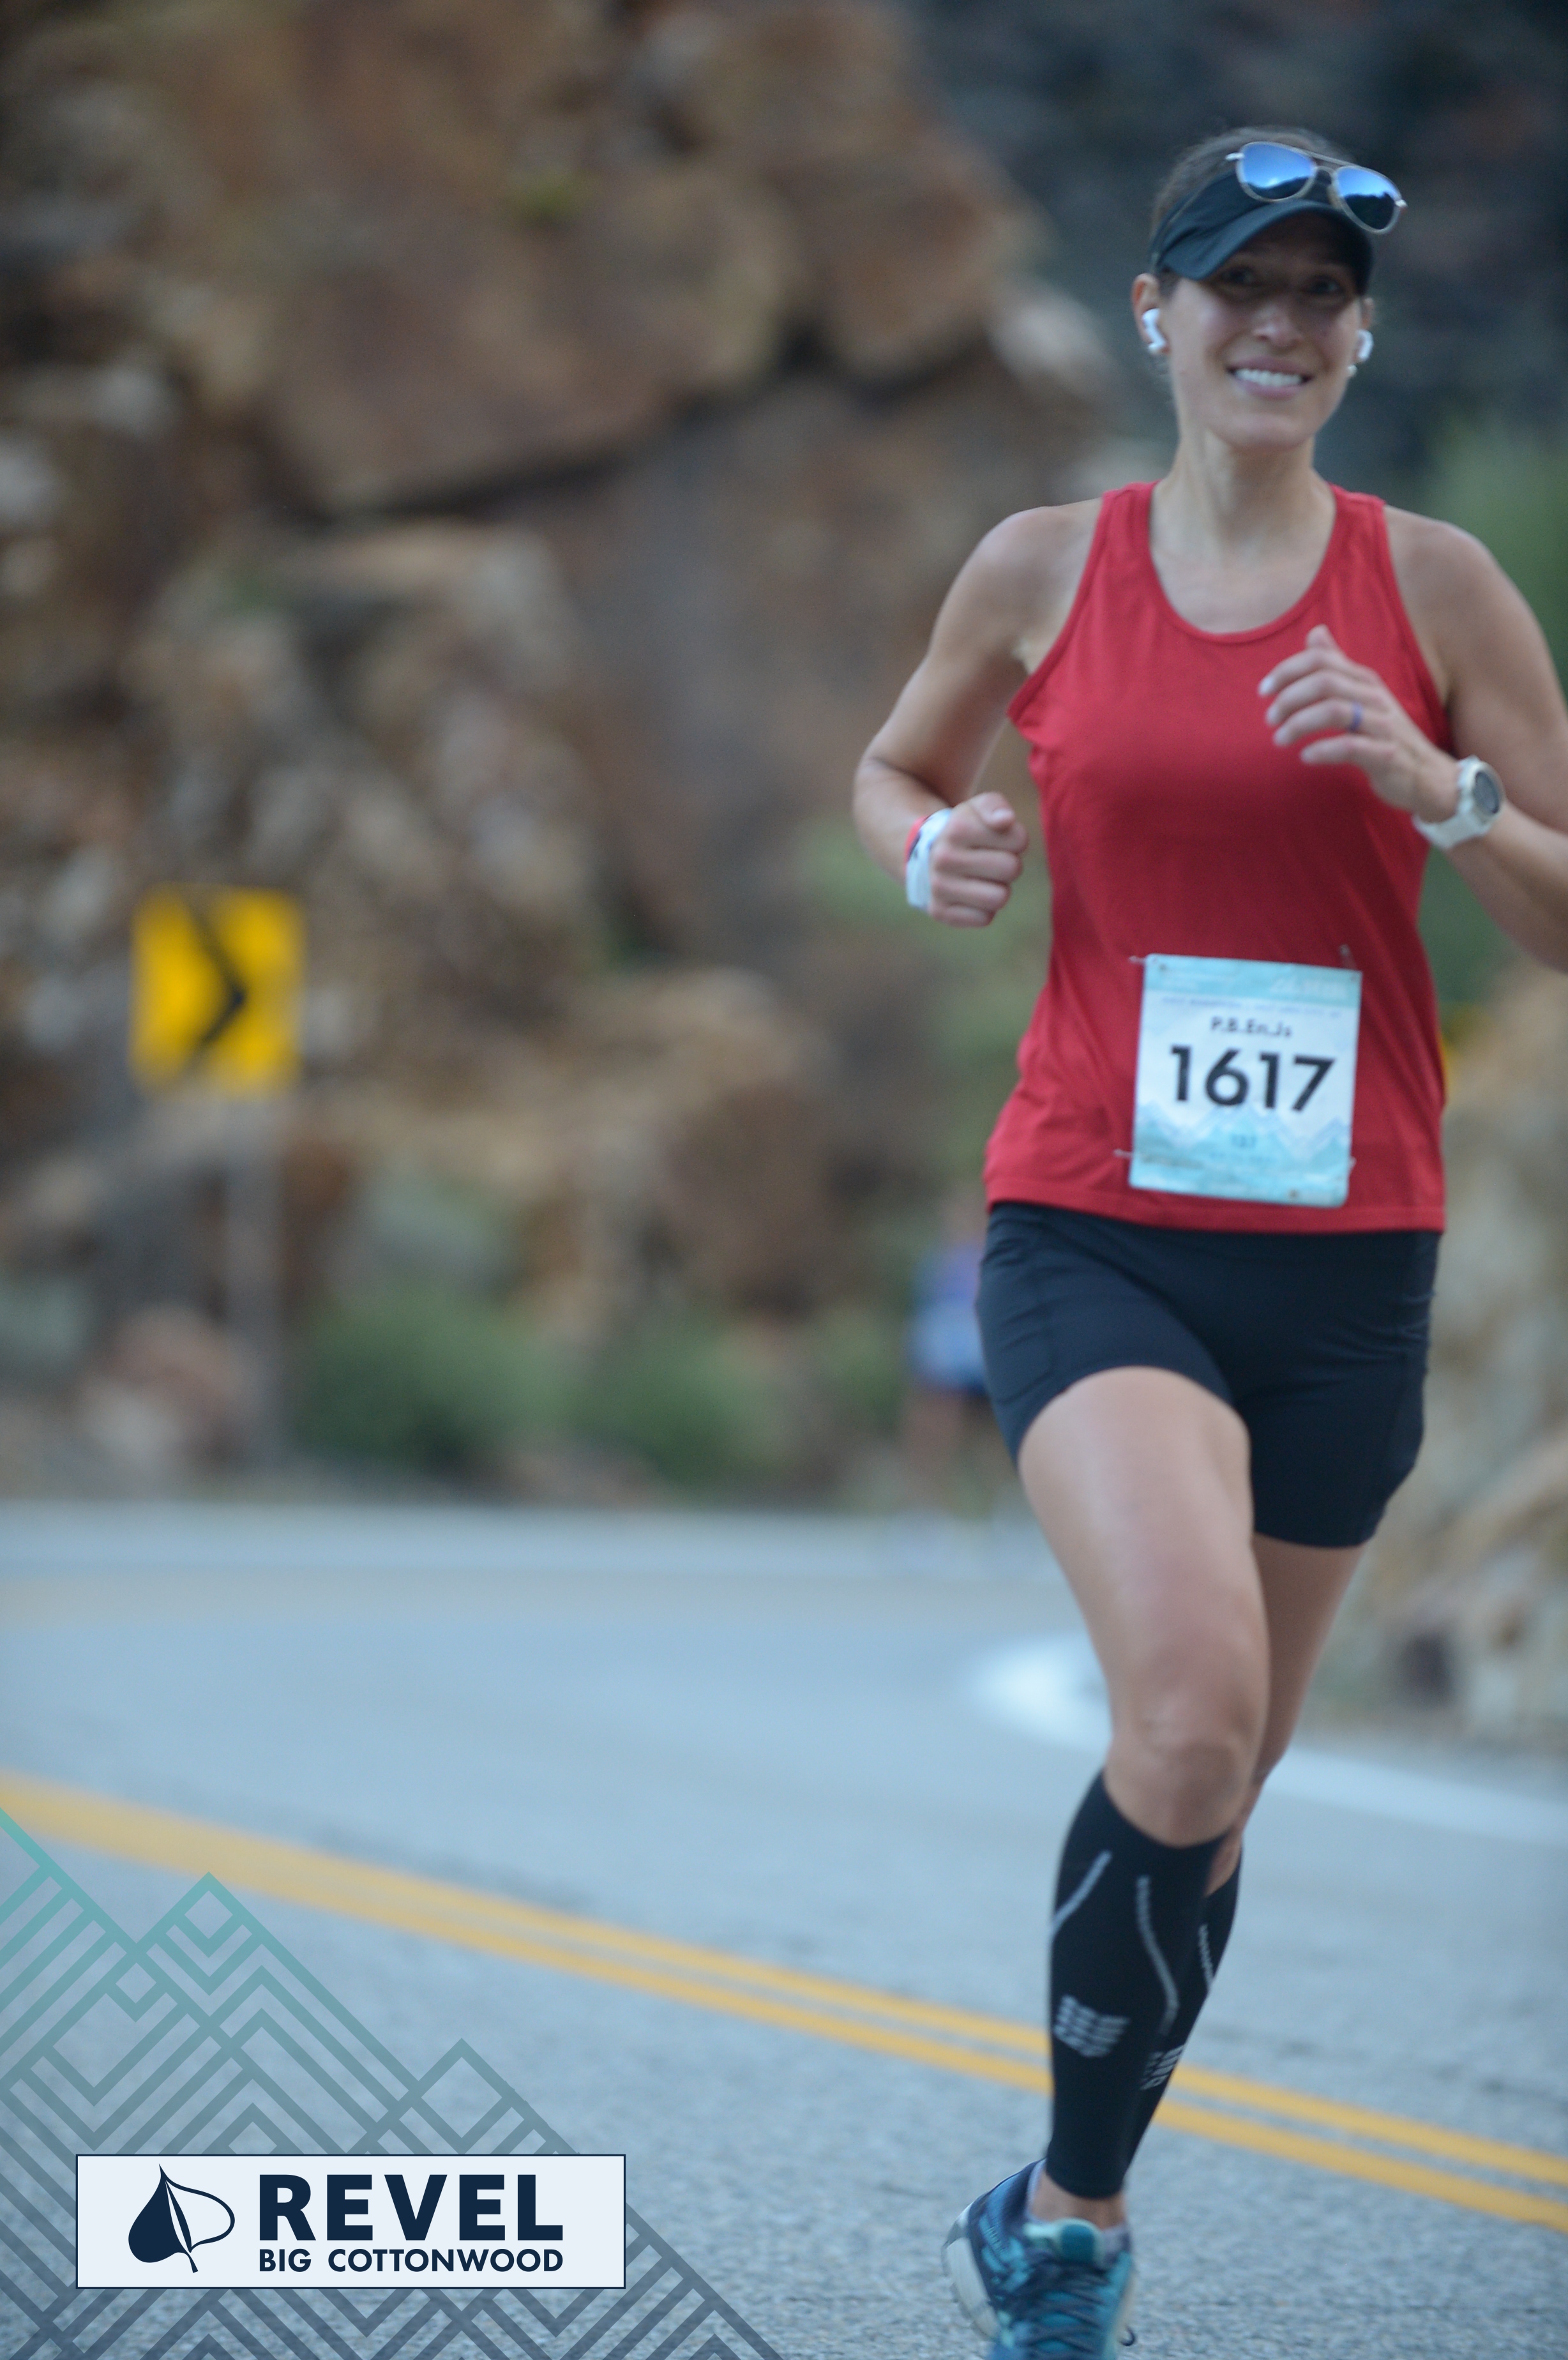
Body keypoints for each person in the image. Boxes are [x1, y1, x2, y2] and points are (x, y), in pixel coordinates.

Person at [852, 124, 1568, 2359]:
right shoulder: (1042, 568)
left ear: (1358, 339)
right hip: (1096, 1224)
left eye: (1320, 292)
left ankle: (1062, 2186)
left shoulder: (1440, 590)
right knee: (1182, 1720)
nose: (1278, 324)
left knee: (1223, 1783)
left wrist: (1440, 791)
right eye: (1236, 285)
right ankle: (1070, 2227)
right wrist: (932, 854)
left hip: (1349, 1257)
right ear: (1155, 310)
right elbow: (895, 770)